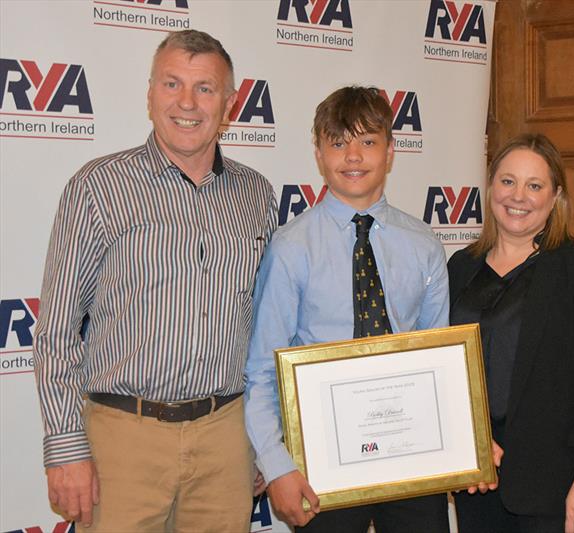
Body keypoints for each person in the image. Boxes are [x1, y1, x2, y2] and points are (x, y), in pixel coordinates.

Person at [32, 30, 278, 532]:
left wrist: (266, 439)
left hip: (226, 439)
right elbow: (56, 330)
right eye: (172, 84)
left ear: (229, 104)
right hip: (122, 441)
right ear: (149, 94)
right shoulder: (98, 187)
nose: (187, 103)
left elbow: (267, 329)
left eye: (205, 88)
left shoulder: (257, 194)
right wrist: (64, 446)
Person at [244, 86, 450, 532]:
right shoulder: (291, 248)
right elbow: (262, 370)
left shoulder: (424, 245)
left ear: (391, 151)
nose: (352, 156)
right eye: (338, 142)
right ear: (319, 153)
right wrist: (276, 465)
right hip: (323, 464)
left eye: (368, 141)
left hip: (413, 460)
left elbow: (440, 362)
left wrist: (458, 443)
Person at [448, 133, 574, 533]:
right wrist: (468, 441)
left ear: (555, 196)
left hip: (558, 486)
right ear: (491, 186)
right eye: (508, 181)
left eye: (535, 185)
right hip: (479, 481)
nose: (518, 196)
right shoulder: (460, 267)